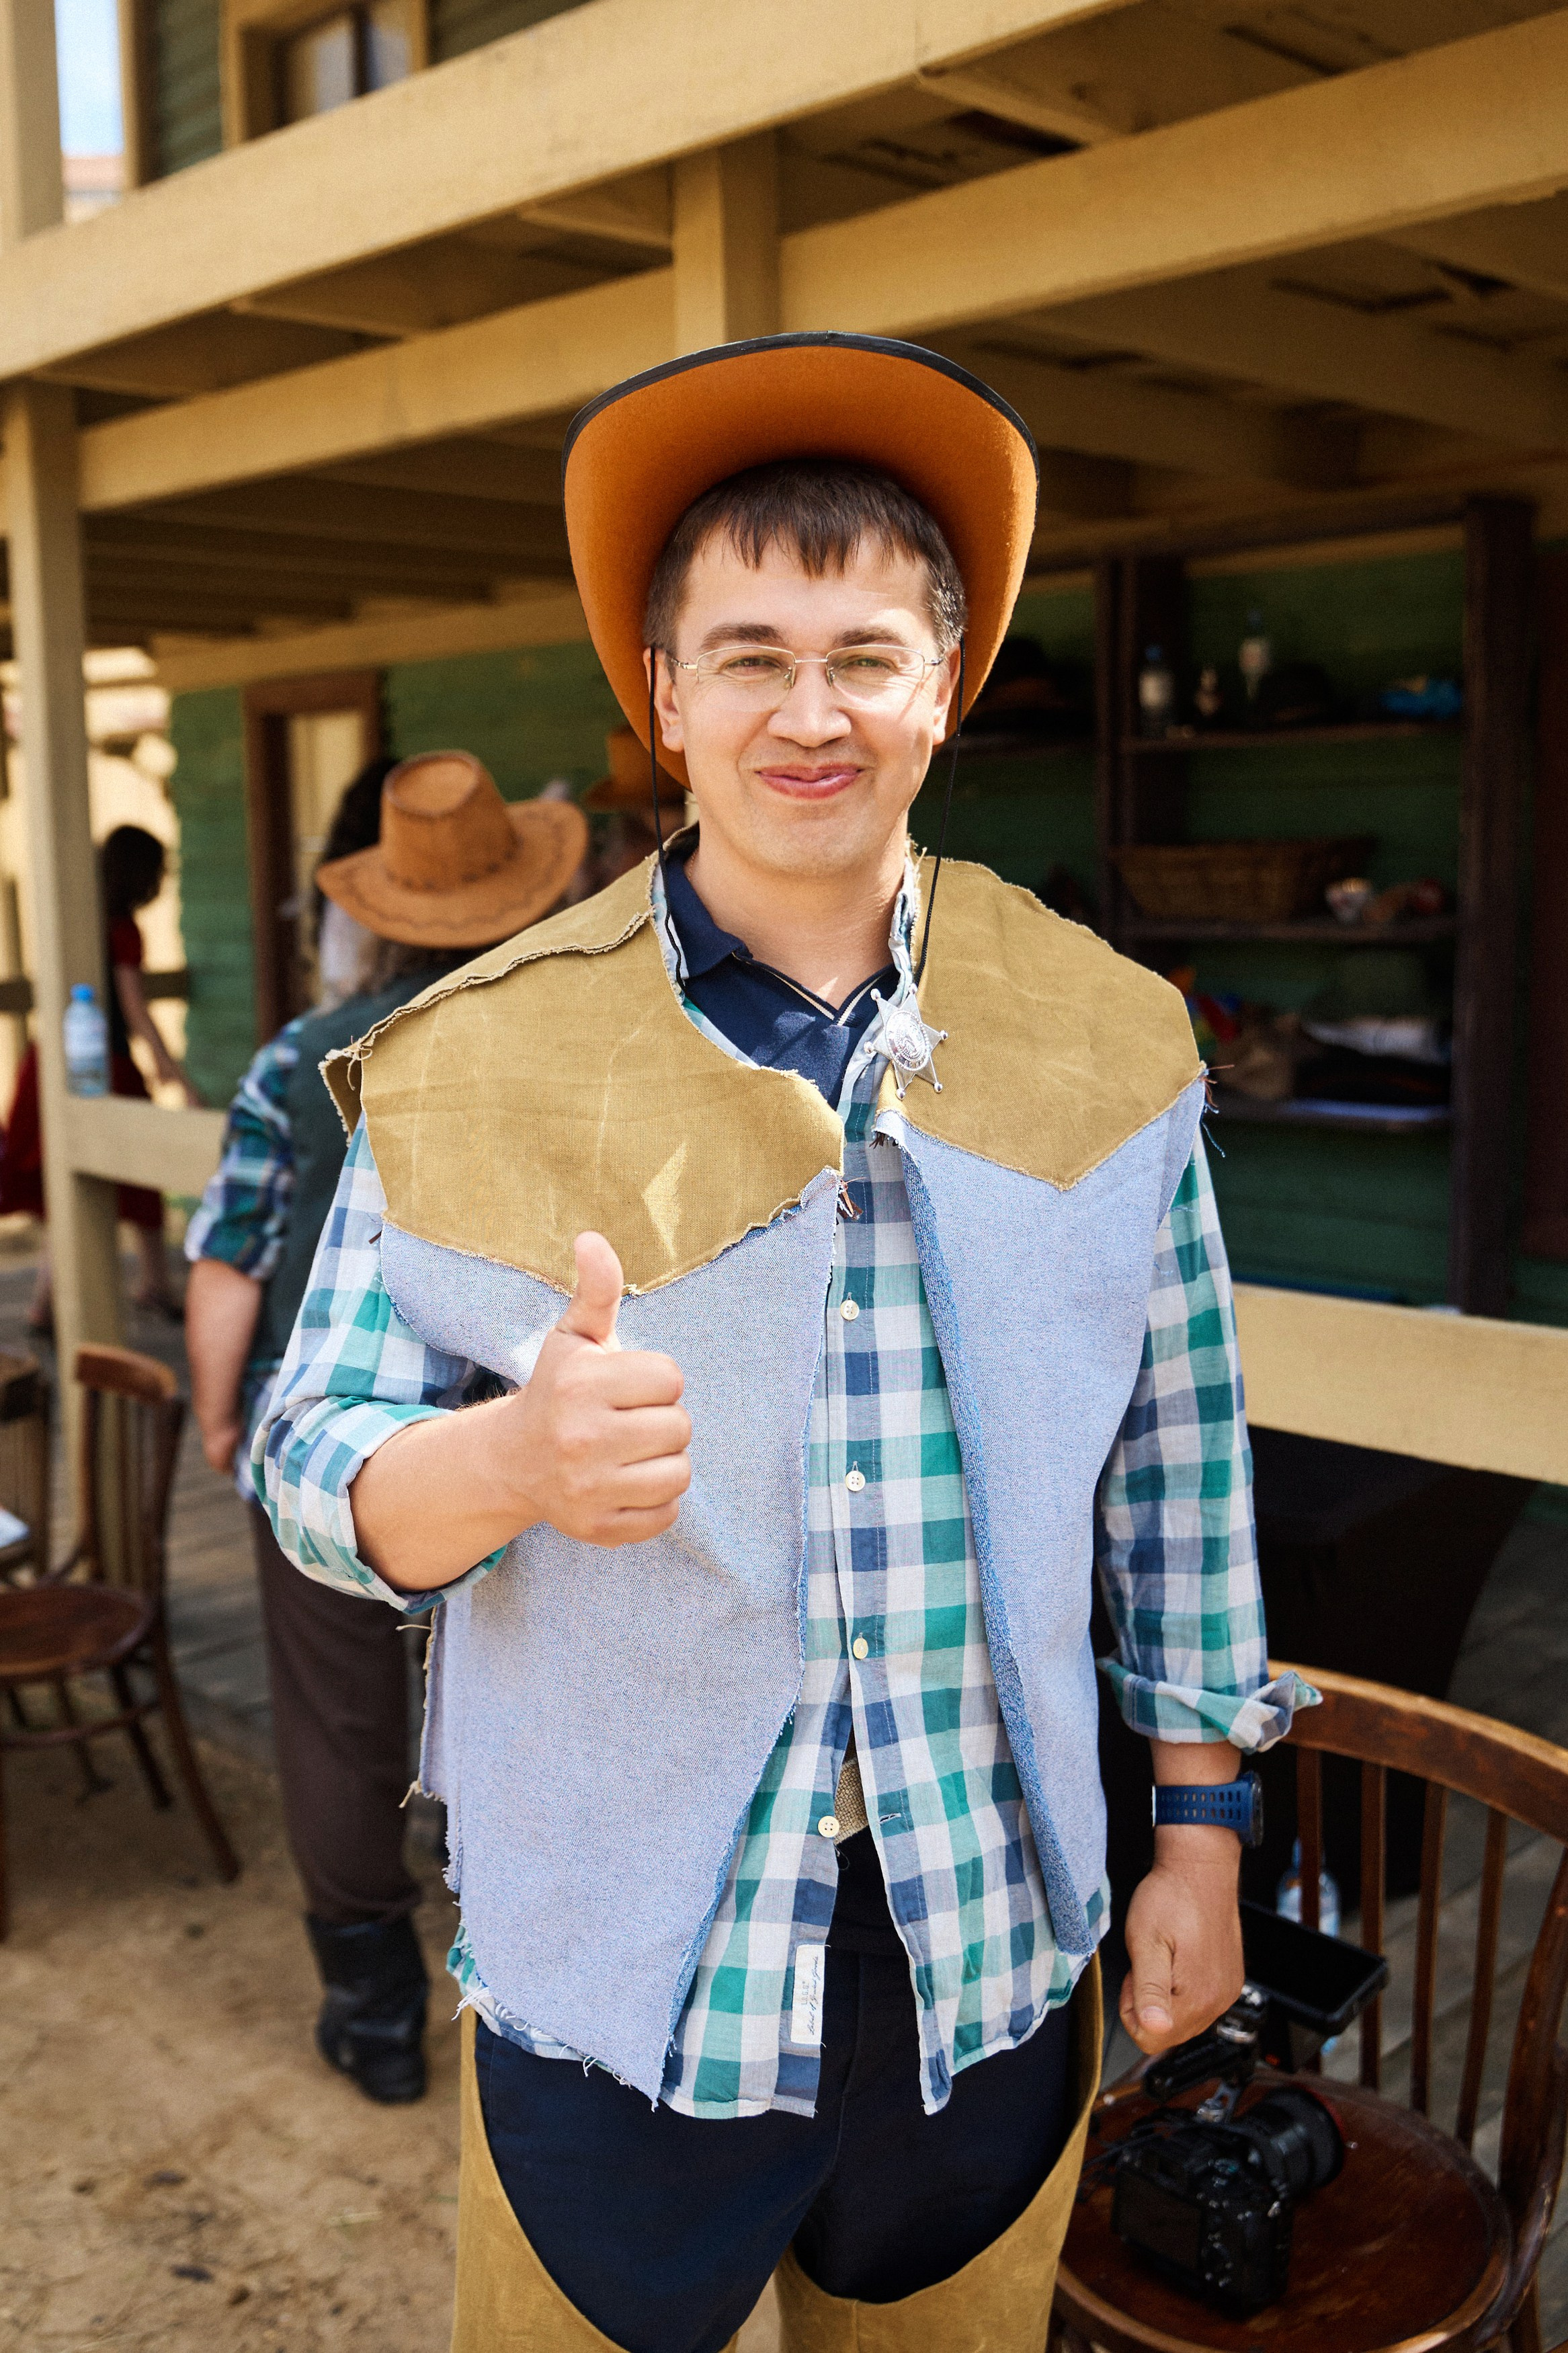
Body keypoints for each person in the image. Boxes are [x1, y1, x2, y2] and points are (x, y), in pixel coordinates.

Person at [255, 338, 1311, 2351]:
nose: (805, 710)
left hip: (987, 1954)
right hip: (622, 1970)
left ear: (945, 684)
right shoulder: (484, 1048)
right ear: (665, 698)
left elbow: (1179, 1465)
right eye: (746, 654)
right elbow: (308, 1450)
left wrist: (1197, 1826)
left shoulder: (1104, 1037)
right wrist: (502, 1466)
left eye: (861, 653)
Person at [185, 752, 585, 2104]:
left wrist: (218, 1413)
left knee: (339, 1725)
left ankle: (375, 2017)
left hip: (346, 1455)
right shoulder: (578, 1045)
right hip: (541, 1461)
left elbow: (232, 1255)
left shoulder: (302, 1056)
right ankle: (528, 2002)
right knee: (528, 1712)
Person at [1, 824, 198, 1330]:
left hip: (47, 1062)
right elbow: (133, 1009)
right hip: (100, 1064)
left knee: (67, 1188)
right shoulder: (122, 928)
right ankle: (153, 1283)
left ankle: (47, 1303)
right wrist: (172, 1071)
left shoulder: (75, 920)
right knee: (138, 1173)